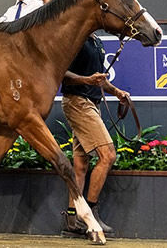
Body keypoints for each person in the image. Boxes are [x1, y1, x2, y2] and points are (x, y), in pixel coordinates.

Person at [60, 33, 131, 239]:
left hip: (92, 103)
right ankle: (89, 213)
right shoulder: (75, 40)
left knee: (81, 165)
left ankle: (72, 220)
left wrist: (116, 91)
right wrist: (86, 80)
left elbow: (98, 78)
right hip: (77, 102)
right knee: (108, 155)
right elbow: (60, 73)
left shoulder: (96, 42)